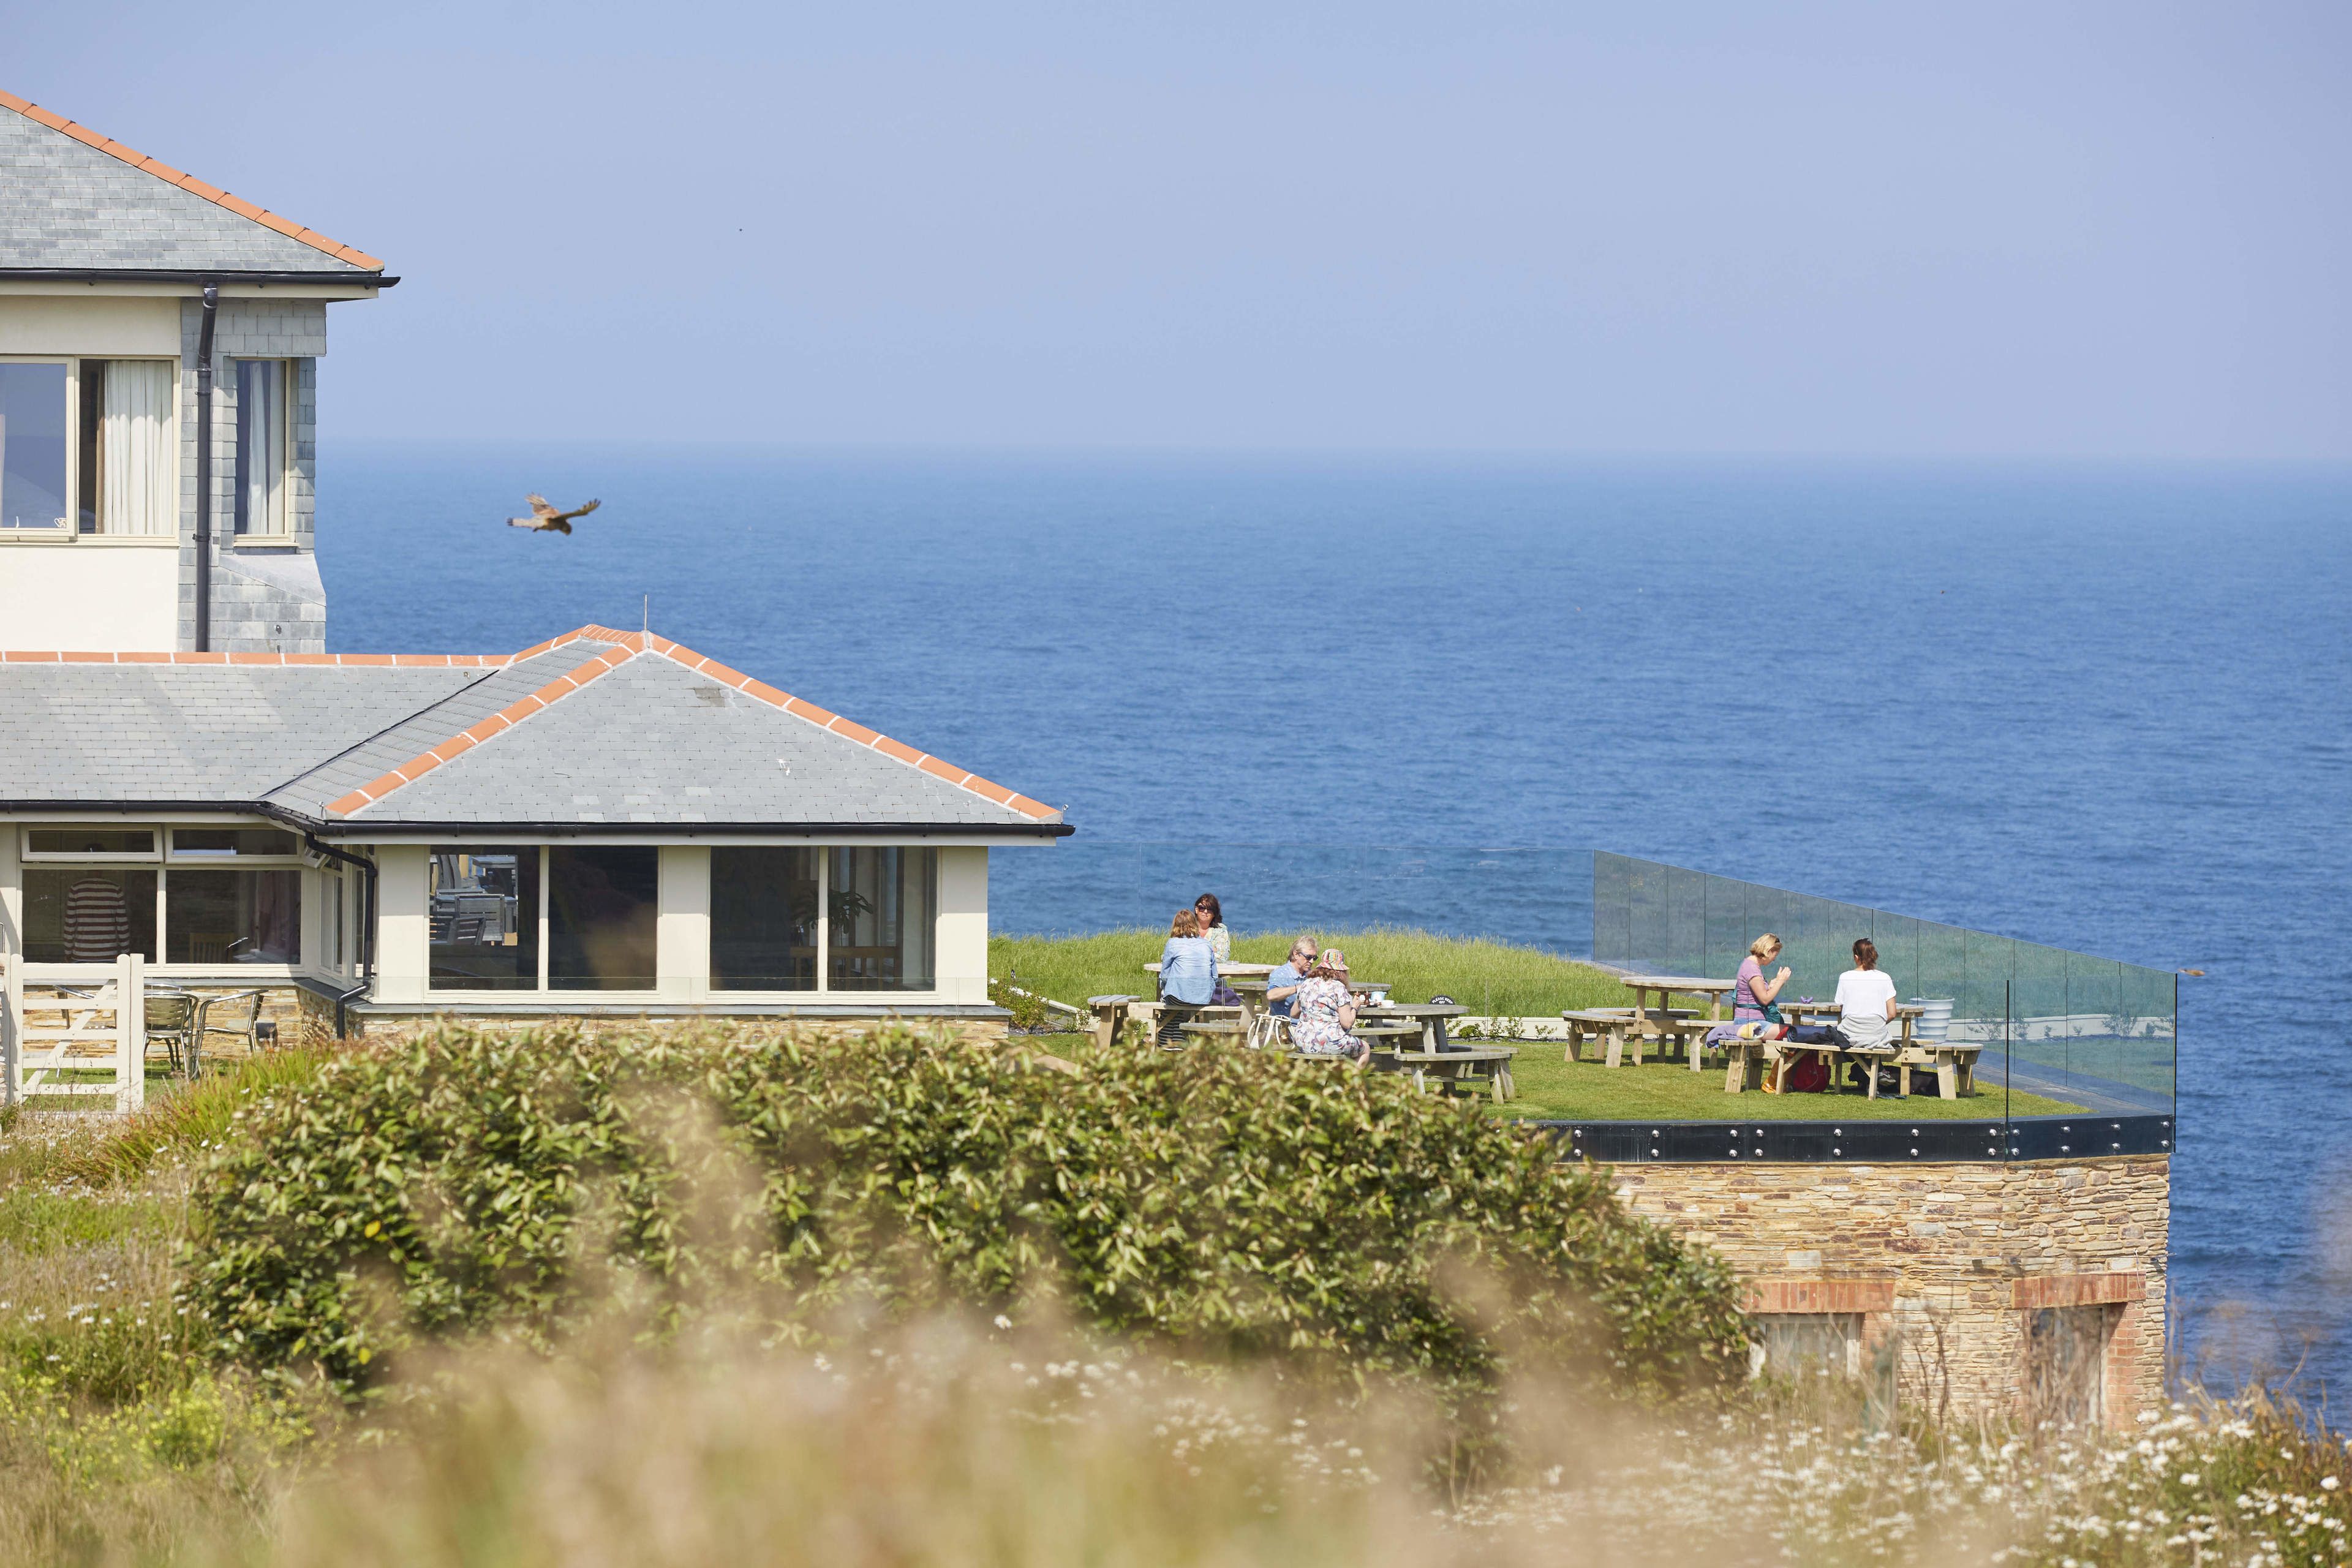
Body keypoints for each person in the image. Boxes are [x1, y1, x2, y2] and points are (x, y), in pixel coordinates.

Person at [1289, 947, 1371, 1066]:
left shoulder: (1305, 984)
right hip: (1330, 1041)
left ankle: (1330, 1078)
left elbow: (1294, 1013)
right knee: (1365, 1049)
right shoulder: (1338, 988)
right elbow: (1347, 1023)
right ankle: (1349, 1083)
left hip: (1303, 1042)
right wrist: (1354, 1008)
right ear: (1341, 971)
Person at [1831, 937, 1901, 1064]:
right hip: (1876, 1035)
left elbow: (1843, 1010)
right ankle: (1877, 1071)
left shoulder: (1845, 977)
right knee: (1873, 1038)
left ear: (1856, 957)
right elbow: (1892, 1013)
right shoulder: (1884, 978)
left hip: (1851, 1035)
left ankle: (1869, 1071)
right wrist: (1873, 1025)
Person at [1158, 908, 1218, 1006]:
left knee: (1168, 996)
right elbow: (1215, 977)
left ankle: (1169, 1021)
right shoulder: (1207, 944)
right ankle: (1183, 1020)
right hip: (1204, 999)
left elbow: (1165, 976)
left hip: (1177, 998)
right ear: (1195, 924)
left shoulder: (1173, 943)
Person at [1735, 933, 1792, 1034]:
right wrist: (1780, 982)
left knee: (1794, 1032)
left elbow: (1756, 995)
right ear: (1769, 951)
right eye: (1775, 955)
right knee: (1794, 1033)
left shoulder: (1750, 965)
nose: (1774, 959)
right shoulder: (1752, 969)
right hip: (1750, 1023)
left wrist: (1771, 987)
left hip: (1752, 1021)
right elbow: (1765, 999)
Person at [1264, 935, 1321, 1019]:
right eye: (1308, 957)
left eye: (1314, 958)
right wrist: (1298, 988)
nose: (1311, 961)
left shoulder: (1311, 974)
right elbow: (1271, 995)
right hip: (1286, 1025)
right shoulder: (1281, 974)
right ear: (1296, 955)